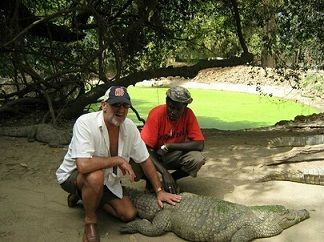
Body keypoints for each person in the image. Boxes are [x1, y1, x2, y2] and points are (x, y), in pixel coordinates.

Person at [55, 86, 182, 242]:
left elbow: (145, 159)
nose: (121, 110)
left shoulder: (129, 127)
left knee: (128, 214)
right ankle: (90, 221)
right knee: (95, 176)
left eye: (125, 105)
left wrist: (159, 190)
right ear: (104, 105)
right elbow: (83, 165)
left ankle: (83, 196)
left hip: (106, 180)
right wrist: (118, 159)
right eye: (116, 104)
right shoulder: (85, 123)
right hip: (73, 176)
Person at [140, 86, 206, 194]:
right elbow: (145, 149)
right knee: (136, 161)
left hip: (172, 154)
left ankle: (172, 179)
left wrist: (169, 146)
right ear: (166, 102)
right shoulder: (156, 114)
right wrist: (164, 172)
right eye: (170, 107)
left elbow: (200, 144)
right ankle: (152, 181)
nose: (173, 112)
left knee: (197, 159)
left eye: (178, 109)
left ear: (185, 106)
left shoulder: (188, 114)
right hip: (155, 154)